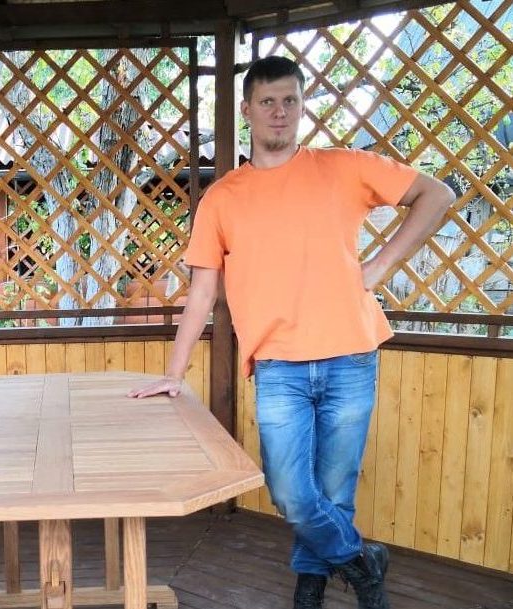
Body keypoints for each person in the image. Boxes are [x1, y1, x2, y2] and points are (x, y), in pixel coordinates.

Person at [128, 56, 454, 609]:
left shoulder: (343, 166)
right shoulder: (223, 197)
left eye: (290, 100)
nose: (279, 112)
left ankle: (311, 581)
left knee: (335, 487)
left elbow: (437, 195)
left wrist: (379, 266)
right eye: (268, 102)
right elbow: (203, 293)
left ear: (302, 106)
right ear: (247, 110)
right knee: (289, 492)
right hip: (278, 366)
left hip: (351, 355)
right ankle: (362, 559)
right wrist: (173, 374)